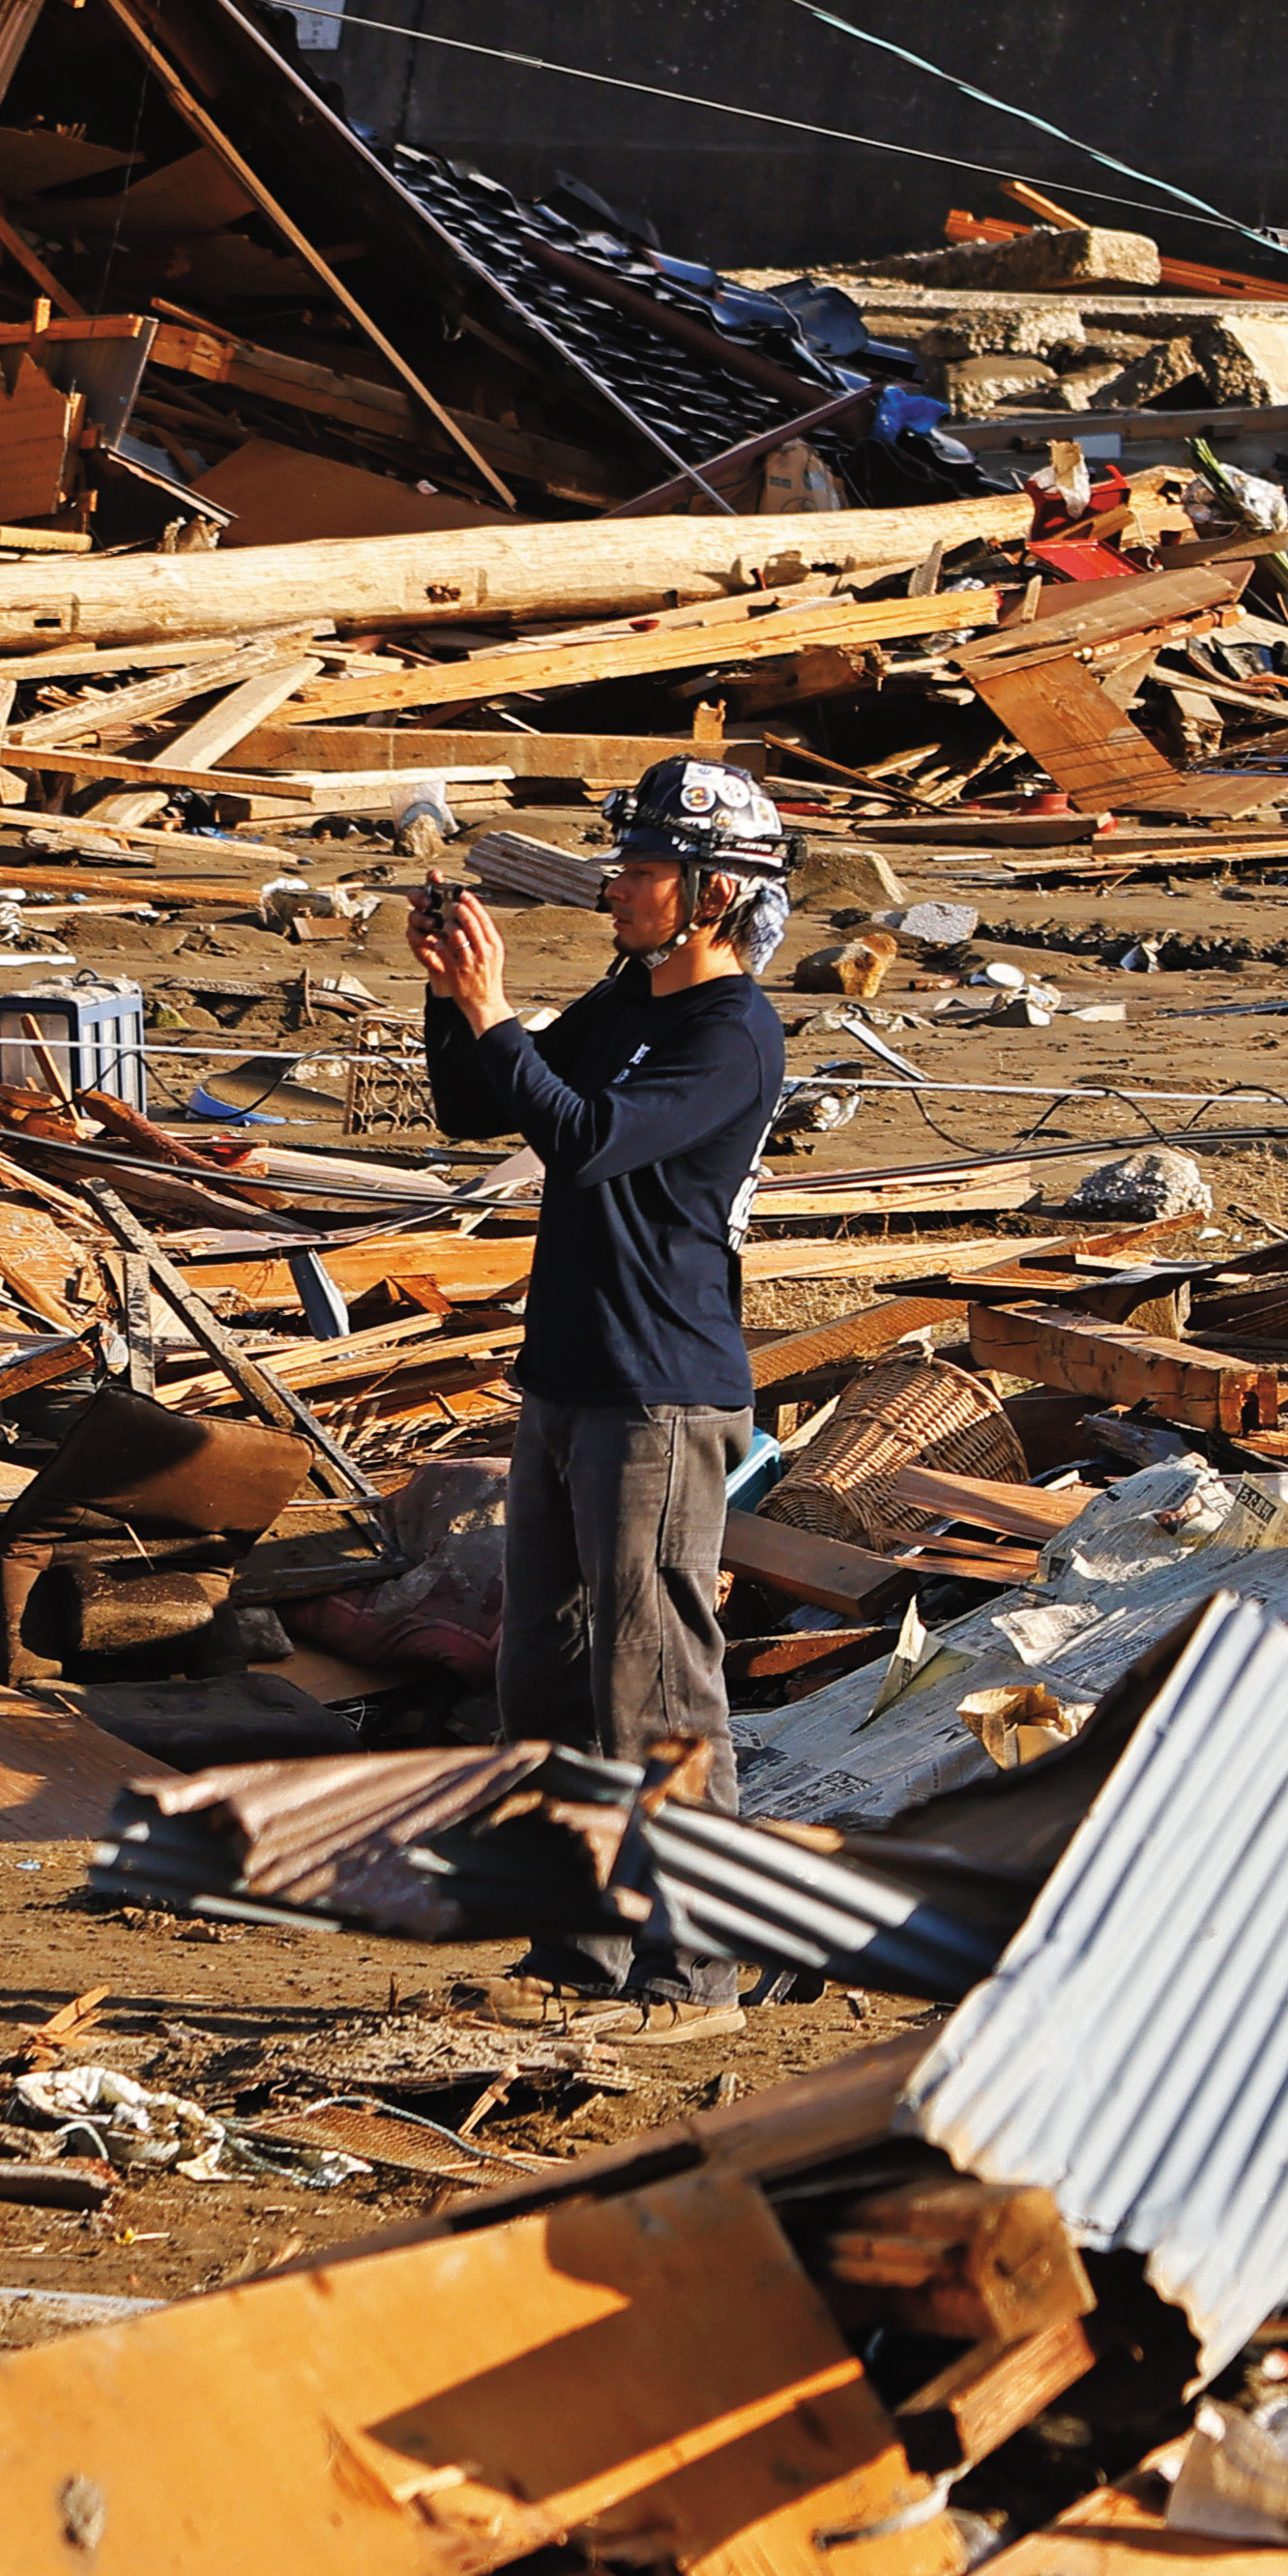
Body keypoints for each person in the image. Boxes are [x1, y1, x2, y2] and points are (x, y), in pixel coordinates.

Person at [411, 755, 794, 1803]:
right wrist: (451, 995)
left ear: (715, 890)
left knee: (655, 1697)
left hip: (657, 1396)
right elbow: (479, 1108)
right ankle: (576, 1941)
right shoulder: (630, 998)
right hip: (569, 1378)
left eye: (644, 863)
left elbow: (582, 1138)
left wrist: (495, 1009)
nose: (614, 882)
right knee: (544, 1685)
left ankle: (692, 1963)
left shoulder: (731, 1034)